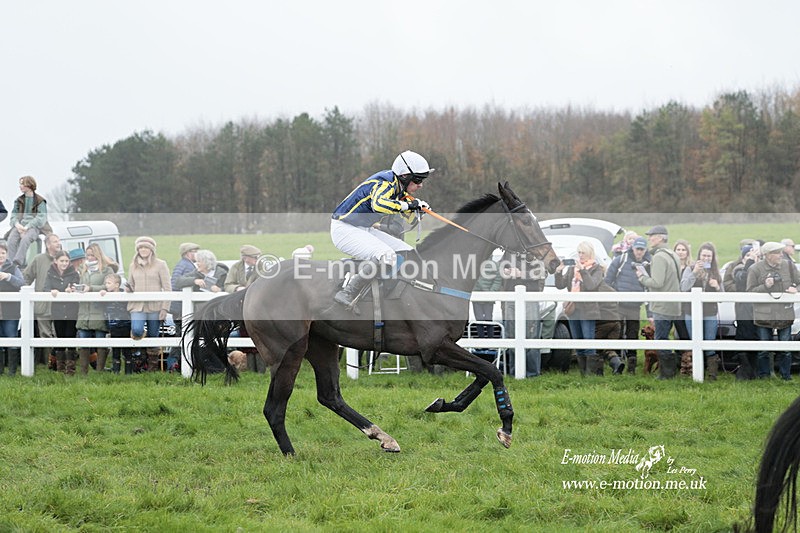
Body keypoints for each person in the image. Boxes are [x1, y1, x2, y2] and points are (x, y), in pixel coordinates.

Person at [330, 150, 433, 309]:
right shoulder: (385, 183)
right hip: (344, 229)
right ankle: (348, 292)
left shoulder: (399, 189)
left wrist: (418, 210)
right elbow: (378, 204)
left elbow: (408, 217)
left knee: (407, 250)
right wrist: (409, 205)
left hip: (362, 228)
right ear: (405, 176)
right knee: (387, 255)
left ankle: (392, 290)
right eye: (418, 180)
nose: (421, 185)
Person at [747, 241, 798, 380]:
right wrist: (765, 286)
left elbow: (799, 282)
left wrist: (796, 289)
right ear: (768, 255)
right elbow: (749, 291)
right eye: (777, 253)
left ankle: (786, 376)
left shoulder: (789, 266)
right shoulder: (755, 269)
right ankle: (764, 376)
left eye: (781, 252)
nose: (781, 255)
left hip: (785, 313)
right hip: (764, 315)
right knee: (764, 349)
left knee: (786, 349)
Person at [637, 225, 684, 380]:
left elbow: (657, 282)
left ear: (661, 237)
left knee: (661, 339)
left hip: (662, 305)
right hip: (674, 304)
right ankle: (671, 371)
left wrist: (642, 277)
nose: (649, 238)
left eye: (652, 236)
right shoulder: (672, 254)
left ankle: (666, 374)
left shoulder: (659, 256)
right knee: (667, 338)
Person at [555, 241, 604, 376]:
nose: (580, 255)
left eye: (583, 252)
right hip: (573, 309)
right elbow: (560, 285)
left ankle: (591, 374)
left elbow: (591, 286)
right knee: (578, 341)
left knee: (588, 341)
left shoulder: (596, 269)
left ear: (589, 253)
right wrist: (558, 272)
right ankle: (584, 374)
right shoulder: (572, 269)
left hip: (588, 310)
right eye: (579, 252)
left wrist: (582, 270)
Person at [604, 236, 652, 375]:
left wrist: (649, 312)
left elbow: (649, 287)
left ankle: (632, 365)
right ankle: (618, 364)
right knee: (617, 332)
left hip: (635, 305)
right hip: (619, 304)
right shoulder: (621, 260)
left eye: (642, 249)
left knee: (633, 333)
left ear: (645, 250)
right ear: (633, 248)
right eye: (637, 249)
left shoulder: (648, 263)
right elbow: (608, 280)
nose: (639, 252)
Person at [680, 242, 723, 380]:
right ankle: (696, 373)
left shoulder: (716, 272)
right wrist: (694, 273)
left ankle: (712, 375)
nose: (706, 258)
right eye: (704, 255)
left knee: (709, 343)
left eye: (709, 256)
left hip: (710, 313)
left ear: (712, 257)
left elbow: (723, 296)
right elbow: (683, 287)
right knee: (695, 342)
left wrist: (716, 287)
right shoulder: (690, 268)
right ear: (699, 256)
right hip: (691, 312)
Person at [75, 243, 118, 374]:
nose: (90, 257)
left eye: (92, 255)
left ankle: (100, 371)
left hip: (99, 309)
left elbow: (108, 286)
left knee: (100, 339)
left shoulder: (106, 270)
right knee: (83, 339)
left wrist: (91, 288)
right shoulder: (82, 268)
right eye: (87, 255)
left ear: (98, 255)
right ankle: (83, 372)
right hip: (84, 310)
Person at [502, 251, 544, 377]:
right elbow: (501, 268)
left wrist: (521, 274)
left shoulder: (536, 251)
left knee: (531, 334)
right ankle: (514, 372)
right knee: (511, 334)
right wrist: (506, 271)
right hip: (510, 297)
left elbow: (541, 272)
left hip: (529, 298)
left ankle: (532, 373)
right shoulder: (509, 251)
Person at [23, 233, 61, 365]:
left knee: (58, 334)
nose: (58, 243)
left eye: (59, 241)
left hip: (59, 306)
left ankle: (60, 362)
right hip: (42, 305)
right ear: (48, 244)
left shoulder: (63, 259)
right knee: (44, 335)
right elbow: (26, 277)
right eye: (55, 241)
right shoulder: (39, 259)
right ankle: (48, 363)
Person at [724, 244, 759, 380]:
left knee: (756, 339)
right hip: (744, 310)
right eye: (747, 256)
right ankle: (744, 372)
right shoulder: (738, 269)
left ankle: (754, 371)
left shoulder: (758, 268)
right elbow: (742, 280)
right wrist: (750, 262)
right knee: (744, 337)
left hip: (758, 310)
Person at [126, 237, 171, 344]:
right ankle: (139, 352)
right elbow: (131, 283)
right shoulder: (133, 266)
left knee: (153, 336)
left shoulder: (161, 265)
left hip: (155, 306)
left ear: (151, 249)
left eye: (146, 247)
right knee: (137, 330)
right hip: (137, 306)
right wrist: (129, 289)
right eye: (140, 247)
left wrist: (164, 309)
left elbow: (168, 288)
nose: (143, 250)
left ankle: (151, 359)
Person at [44, 250, 80, 375]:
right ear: (56, 261)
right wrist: (53, 290)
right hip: (57, 310)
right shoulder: (50, 273)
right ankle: (60, 368)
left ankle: (70, 370)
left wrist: (71, 290)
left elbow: (76, 286)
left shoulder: (74, 273)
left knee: (70, 336)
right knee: (59, 337)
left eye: (66, 261)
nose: (64, 263)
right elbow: (45, 288)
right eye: (62, 261)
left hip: (71, 310)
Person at [6, 176, 51, 267]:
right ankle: (10, 264)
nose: (20, 186)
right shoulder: (18, 200)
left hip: (34, 227)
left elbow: (41, 218)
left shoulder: (40, 201)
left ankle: (18, 262)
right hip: (19, 226)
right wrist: (17, 224)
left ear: (29, 185)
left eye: (22, 184)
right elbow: (13, 215)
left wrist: (27, 227)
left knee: (26, 239)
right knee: (11, 240)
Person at [100, 273, 135, 374]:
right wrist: (102, 293)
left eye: (109, 283)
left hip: (125, 325)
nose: (107, 285)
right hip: (113, 326)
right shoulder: (107, 296)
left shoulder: (124, 295)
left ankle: (129, 371)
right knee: (115, 348)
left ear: (117, 285)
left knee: (127, 349)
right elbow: (101, 305)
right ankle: (116, 370)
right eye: (106, 283)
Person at [0, 242, 24, 375]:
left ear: (6, 254)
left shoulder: (13, 268)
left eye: (3, 253)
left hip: (11, 310)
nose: (0, 256)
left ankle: (12, 371)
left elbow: (21, 283)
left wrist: (8, 277)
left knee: (11, 337)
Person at [169, 242, 200, 331]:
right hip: (180, 305)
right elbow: (176, 283)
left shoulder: (183, 264)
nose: (197, 254)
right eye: (194, 251)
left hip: (177, 304)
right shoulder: (188, 266)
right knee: (183, 330)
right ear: (187, 253)